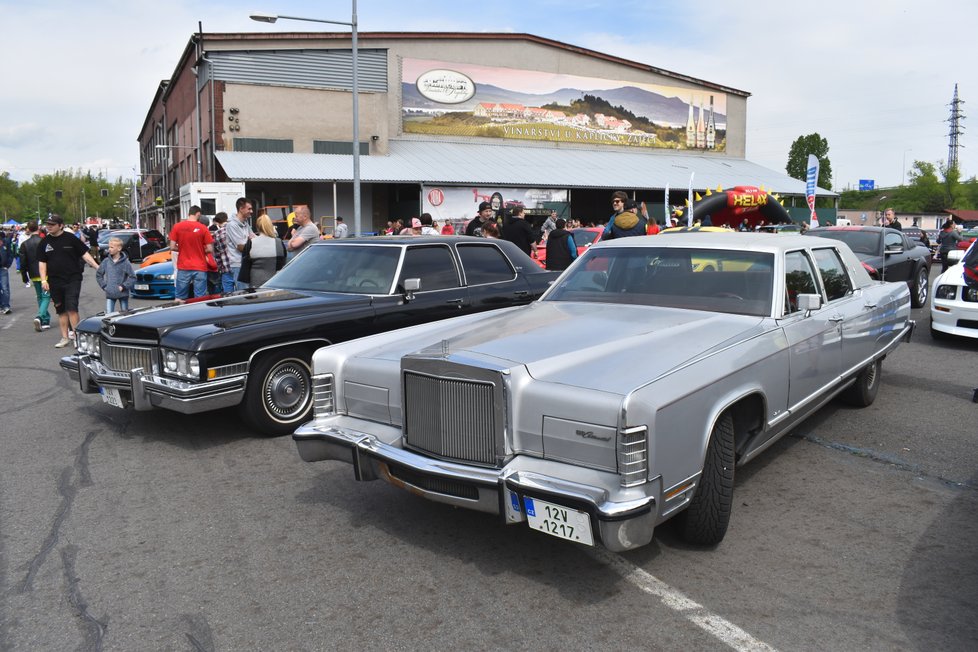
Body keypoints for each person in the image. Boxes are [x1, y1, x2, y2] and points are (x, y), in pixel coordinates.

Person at [36, 214, 100, 348]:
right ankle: (65, 338)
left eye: (52, 224)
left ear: (61, 226)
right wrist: (43, 280)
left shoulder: (71, 238)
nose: (49, 227)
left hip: (73, 278)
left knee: (72, 308)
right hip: (54, 280)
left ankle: (77, 338)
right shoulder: (44, 242)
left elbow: (85, 255)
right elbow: (42, 263)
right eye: (47, 224)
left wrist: (97, 267)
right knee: (61, 311)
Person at [168, 205, 214, 300]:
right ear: (198, 214)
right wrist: (200, 250)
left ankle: (181, 313)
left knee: (180, 297)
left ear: (189, 214)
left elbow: (172, 247)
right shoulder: (203, 228)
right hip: (200, 267)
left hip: (184, 266)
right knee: (200, 297)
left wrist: (183, 249)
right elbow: (210, 249)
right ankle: (199, 314)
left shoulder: (177, 226)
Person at [18, 221, 53, 331]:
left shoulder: (24, 244)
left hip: (33, 274)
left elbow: (22, 263)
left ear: (28, 229)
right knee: (46, 296)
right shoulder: (45, 241)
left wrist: (24, 276)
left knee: (40, 296)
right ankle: (41, 316)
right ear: (38, 228)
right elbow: (51, 258)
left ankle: (45, 319)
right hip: (46, 273)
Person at [239, 214, 287, 287]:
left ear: (257, 227)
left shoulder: (251, 243)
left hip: (255, 284)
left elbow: (245, 264)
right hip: (274, 283)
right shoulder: (278, 242)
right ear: (270, 226)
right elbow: (283, 263)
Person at [96, 236, 136, 313]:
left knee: (124, 315)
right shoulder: (106, 261)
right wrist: (104, 286)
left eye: (112, 247)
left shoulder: (125, 262)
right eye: (109, 247)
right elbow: (99, 275)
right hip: (110, 293)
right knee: (109, 316)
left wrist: (123, 286)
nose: (109, 249)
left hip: (123, 294)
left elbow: (133, 277)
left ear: (119, 249)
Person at [226, 197, 255, 288]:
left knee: (249, 292)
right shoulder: (232, 225)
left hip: (246, 262)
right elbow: (241, 247)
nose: (252, 211)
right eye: (249, 209)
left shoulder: (245, 223)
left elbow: (253, 238)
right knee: (243, 293)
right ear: (241, 209)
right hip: (238, 264)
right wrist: (251, 240)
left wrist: (251, 241)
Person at [210, 212, 236, 293]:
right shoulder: (235, 229)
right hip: (238, 266)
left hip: (226, 267)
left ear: (217, 222)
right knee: (241, 293)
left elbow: (217, 254)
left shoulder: (217, 233)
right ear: (226, 218)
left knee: (228, 295)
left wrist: (219, 267)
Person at [0, 229, 13, 314]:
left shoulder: (6, 242)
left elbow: (10, 254)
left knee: (5, 288)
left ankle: (6, 306)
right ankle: (1, 305)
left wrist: (7, 265)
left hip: (3, 268)